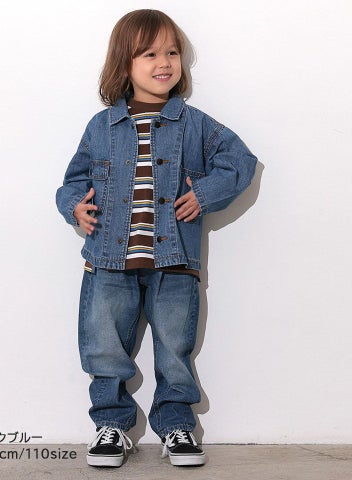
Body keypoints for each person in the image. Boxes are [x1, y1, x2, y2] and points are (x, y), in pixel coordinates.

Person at [56, 9, 257, 468]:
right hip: (108, 261)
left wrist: (203, 194)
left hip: (175, 260)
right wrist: (74, 207)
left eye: (172, 53)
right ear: (123, 64)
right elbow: (73, 180)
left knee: (175, 350)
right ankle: (111, 426)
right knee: (104, 348)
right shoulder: (102, 126)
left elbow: (241, 161)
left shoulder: (195, 123)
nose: (164, 62)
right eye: (149, 54)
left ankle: (177, 427)